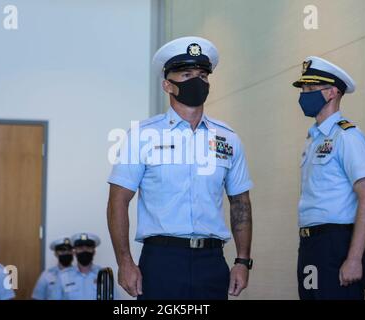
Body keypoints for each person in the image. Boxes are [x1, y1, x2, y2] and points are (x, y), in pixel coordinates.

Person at [107, 36, 254, 300]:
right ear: (168, 85)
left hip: (212, 261)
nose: (197, 81)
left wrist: (242, 262)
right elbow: (118, 201)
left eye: (202, 75)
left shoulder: (228, 138)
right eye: (186, 74)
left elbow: (240, 202)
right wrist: (125, 262)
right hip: (161, 261)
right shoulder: (141, 135)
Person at [293, 56, 365, 300]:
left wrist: (353, 258)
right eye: (303, 89)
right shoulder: (314, 139)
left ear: (331, 92)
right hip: (310, 245)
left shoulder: (347, 137)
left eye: (310, 89)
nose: (304, 94)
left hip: (336, 245)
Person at [58, 233, 103, 300]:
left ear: (94, 251)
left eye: (88, 247)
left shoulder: (104, 275)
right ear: (74, 252)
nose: (84, 250)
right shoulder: (63, 276)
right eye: (80, 248)